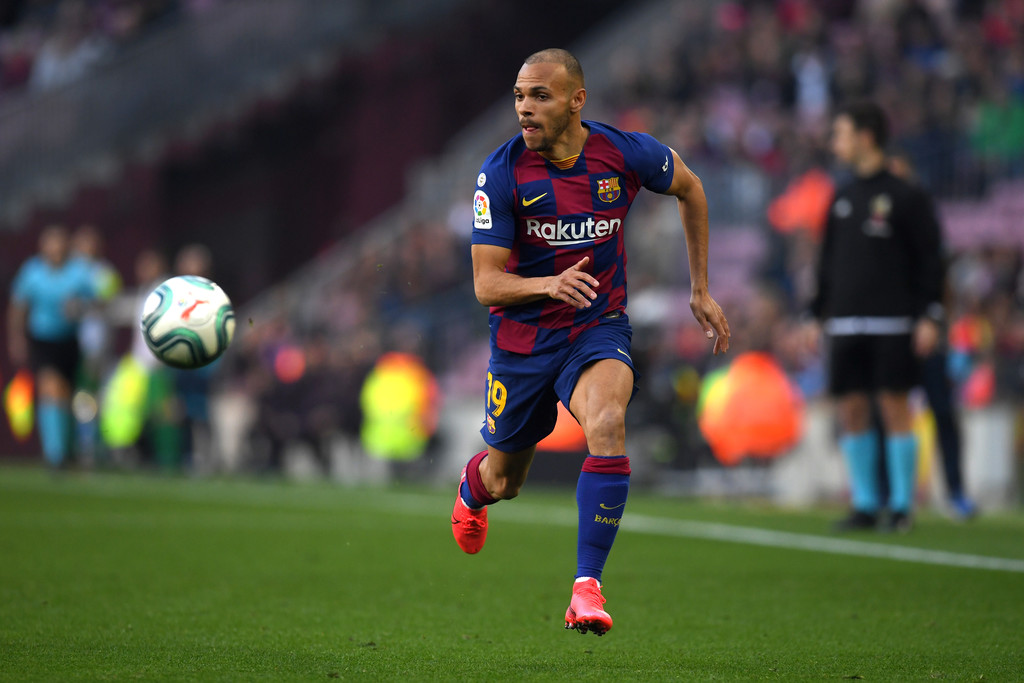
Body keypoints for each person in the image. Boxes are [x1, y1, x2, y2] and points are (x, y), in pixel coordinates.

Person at [451, 48, 730, 636]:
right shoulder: (499, 173)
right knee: (508, 481)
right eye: (520, 97)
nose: (525, 109)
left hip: (596, 327)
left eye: (540, 97)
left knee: (606, 422)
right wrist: (549, 282)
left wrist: (700, 289)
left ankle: (586, 587)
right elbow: (485, 285)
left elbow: (692, 189)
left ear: (577, 101)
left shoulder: (624, 153)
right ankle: (473, 488)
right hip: (523, 344)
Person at [805, 102, 946, 533]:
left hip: (894, 321)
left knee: (894, 405)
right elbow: (827, 263)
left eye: (841, 134)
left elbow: (930, 260)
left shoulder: (907, 195)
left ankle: (902, 505)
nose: (835, 143)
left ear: (866, 136)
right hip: (845, 322)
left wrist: (929, 315)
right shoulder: (842, 196)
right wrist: (815, 314)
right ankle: (866, 504)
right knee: (851, 409)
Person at [7, 225, 97, 468]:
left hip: (69, 341)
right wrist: (16, 338)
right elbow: (18, 307)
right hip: (42, 340)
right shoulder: (32, 272)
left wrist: (78, 308)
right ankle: (54, 454)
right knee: (50, 389)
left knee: (66, 395)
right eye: (51, 243)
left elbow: (97, 303)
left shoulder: (78, 272)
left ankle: (68, 450)